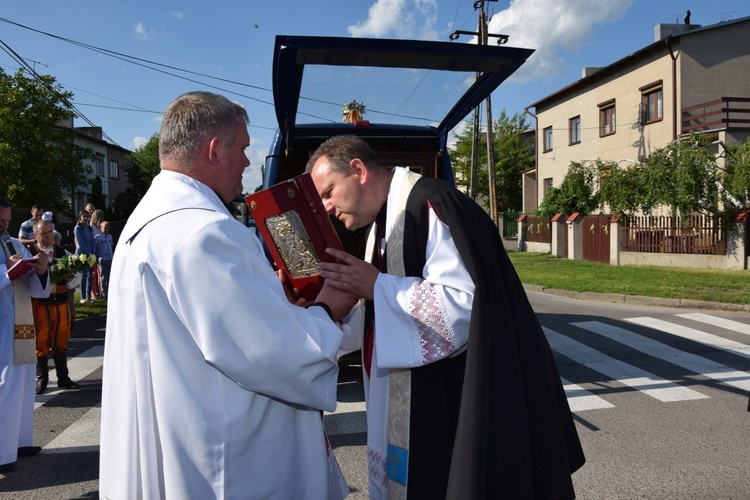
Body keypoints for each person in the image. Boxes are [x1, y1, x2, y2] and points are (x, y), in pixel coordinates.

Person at [99, 91, 357, 499]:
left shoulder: (149, 220)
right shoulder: (203, 232)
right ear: (215, 150)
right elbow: (273, 353)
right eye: (242, 149)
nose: (247, 163)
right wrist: (328, 308)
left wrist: (276, 302)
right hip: (226, 460)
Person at [307, 135, 586, 499]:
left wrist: (377, 286)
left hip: (452, 396)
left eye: (329, 192)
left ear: (358, 170)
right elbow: (381, 314)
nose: (326, 207)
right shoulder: (383, 223)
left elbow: (463, 309)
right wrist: (325, 321)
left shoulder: (431, 205)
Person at [1, 197, 50, 473]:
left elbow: (36, 287)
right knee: (5, 384)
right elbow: (9, 274)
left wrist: (40, 270)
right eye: (1, 221)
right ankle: (2, 452)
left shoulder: (14, 243)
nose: (5, 226)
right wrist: (9, 271)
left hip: (20, 323)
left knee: (23, 380)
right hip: (1, 325)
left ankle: (19, 441)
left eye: (8, 220)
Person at [25, 220, 81, 395]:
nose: (48, 236)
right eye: (44, 233)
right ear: (36, 236)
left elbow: (76, 276)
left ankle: (63, 377)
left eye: (50, 232)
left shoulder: (61, 252)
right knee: (41, 340)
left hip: (61, 302)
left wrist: (70, 277)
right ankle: (42, 379)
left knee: (61, 338)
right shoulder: (30, 253)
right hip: (40, 305)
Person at [73, 210, 94, 303]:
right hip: (82, 254)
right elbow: (80, 243)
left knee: (90, 275)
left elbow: (92, 241)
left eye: (87, 216)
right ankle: (83, 297)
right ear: (80, 217)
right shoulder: (78, 228)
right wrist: (88, 253)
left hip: (90, 254)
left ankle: (88, 297)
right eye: (84, 216)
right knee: (83, 275)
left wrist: (93, 253)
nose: (85, 218)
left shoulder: (89, 228)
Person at [94, 220, 113, 298]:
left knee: (110, 276)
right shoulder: (97, 237)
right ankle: (103, 293)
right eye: (105, 228)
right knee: (103, 277)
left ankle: (109, 292)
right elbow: (94, 247)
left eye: (108, 228)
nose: (106, 229)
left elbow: (111, 246)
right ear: (101, 228)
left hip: (110, 258)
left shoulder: (110, 237)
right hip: (103, 259)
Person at [89, 209, 104, 299]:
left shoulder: (100, 227)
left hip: (100, 251)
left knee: (100, 273)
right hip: (93, 252)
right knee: (93, 273)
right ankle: (92, 292)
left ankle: (101, 291)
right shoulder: (91, 227)